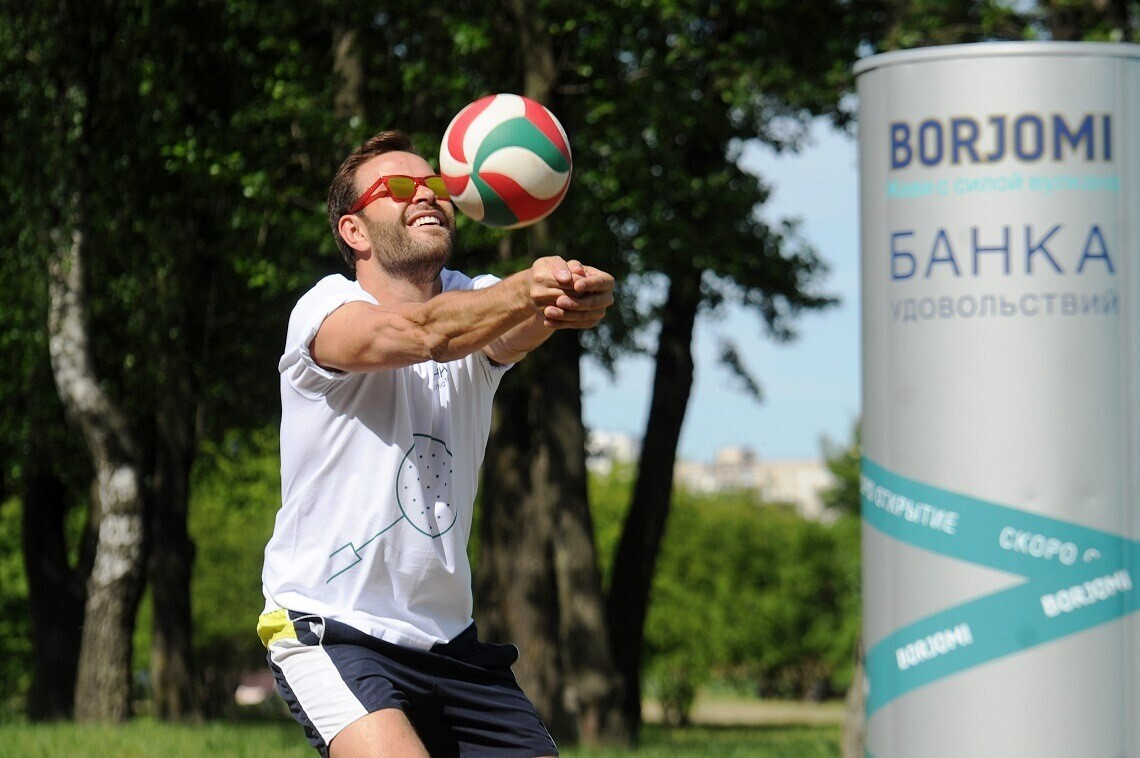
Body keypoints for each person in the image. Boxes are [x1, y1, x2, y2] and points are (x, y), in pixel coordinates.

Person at [256, 130, 614, 758]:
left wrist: (573, 291)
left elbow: (514, 319)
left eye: (435, 184)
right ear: (354, 231)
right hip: (331, 626)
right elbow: (425, 334)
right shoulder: (327, 309)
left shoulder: (475, 300)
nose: (425, 194)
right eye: (398, 187)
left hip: (450, 642)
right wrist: (526, 288)